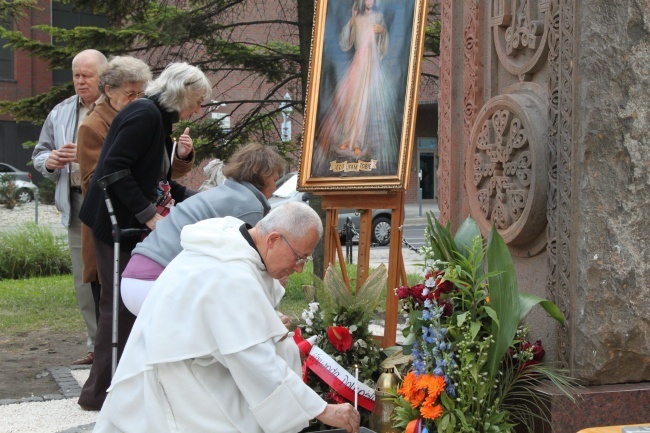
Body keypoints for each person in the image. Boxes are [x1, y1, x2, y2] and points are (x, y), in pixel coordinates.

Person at [93, 202, 361, 433]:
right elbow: (256, 363)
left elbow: (229, 317)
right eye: (299, 257)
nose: (300, 268)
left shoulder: (234, 239)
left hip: (191, 360)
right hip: (176, 376)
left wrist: (263, 322)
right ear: (273, 239)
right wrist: (322, 409)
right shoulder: (231, 274)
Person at [77, 62, 212, 410]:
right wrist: (148, 215)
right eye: (197, 100)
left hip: (127, 222)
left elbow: (159, 180)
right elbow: (113, 170)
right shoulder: (145, 114)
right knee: (118, 308)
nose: (198, 110)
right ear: (181, 93)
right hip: (114, 224)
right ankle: (99, 394)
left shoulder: (157, 118)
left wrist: (205, 199)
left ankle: (123, 387)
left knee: (127, 308)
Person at [76, 56, 194, 318]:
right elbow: (103, 175)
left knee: (123, 299)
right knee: (114, 301)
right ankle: (105, 356)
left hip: (130, 213)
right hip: (112, 216)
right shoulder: (105, 123)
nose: (137, 97)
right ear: (109, 91)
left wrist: (182, 160)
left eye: (140, 92)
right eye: (130, 93)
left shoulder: (148, 115)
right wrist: (146, 211)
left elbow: (157, 174)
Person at [120, 142, 287, 315]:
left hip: (134, 276)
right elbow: (249, 268)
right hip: (156, 282)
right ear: (263, 176)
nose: (275, 187)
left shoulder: (223, 193)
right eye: (274, 180)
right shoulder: (248, 205)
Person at [32, 49, 108, 366]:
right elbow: (40, 154)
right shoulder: (61, 112)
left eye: (86, 75)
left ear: (103, 77)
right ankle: (96, 344)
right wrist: (49, 162)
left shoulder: (117, 109)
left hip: (109, 202)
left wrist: (89, 154)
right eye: (76, 75)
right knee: (83, 278)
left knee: (110, 273)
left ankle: (117, 341)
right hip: (76, 202)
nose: (79, 81)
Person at [312, 0, 399, 177]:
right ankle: (347, 139)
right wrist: (352, 21)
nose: (369, 1)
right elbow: (346, 43)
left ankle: (358, 142)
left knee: (364, 103)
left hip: (371, 65)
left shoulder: (379, 17)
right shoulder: (357, 18)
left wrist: (382, 32)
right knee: (350, 101)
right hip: (358, 63)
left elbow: (384, 44)